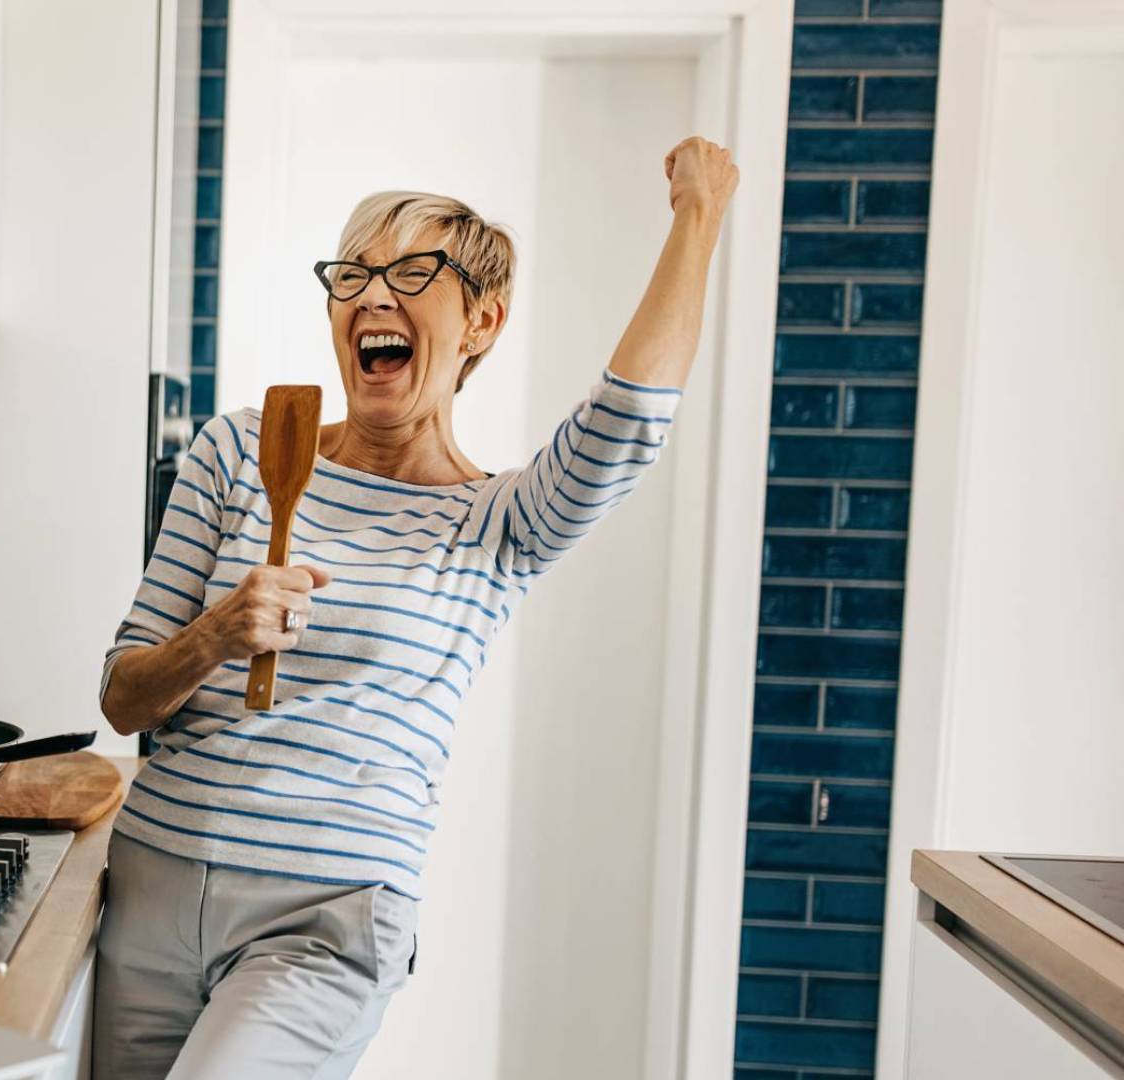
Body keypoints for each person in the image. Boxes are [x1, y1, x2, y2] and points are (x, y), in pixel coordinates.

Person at [91, 137, 740, 1079]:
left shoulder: (499, 521)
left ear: (482, 321)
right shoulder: (238, 453)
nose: (372, 297)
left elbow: (630, 418)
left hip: (324, 921)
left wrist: (698, 214)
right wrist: (214, 635)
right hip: (148, 884)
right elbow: (123, 699)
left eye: (411, 274)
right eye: (353, 274)